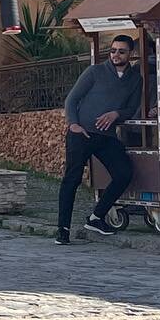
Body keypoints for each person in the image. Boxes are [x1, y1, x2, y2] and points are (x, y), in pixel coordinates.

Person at [57, 34, 140, 244]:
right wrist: (73, 124)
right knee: (72, 179)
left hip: (107, 137)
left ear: (131, 54)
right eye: (113, 50)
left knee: (124, 173)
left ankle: (95, 218)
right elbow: (72, 99)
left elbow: (131, 108)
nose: (116, 55)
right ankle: (62, 230)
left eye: (121, 51)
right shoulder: (95, 71)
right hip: (81, 133)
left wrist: (116, 114)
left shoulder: (135, 79)